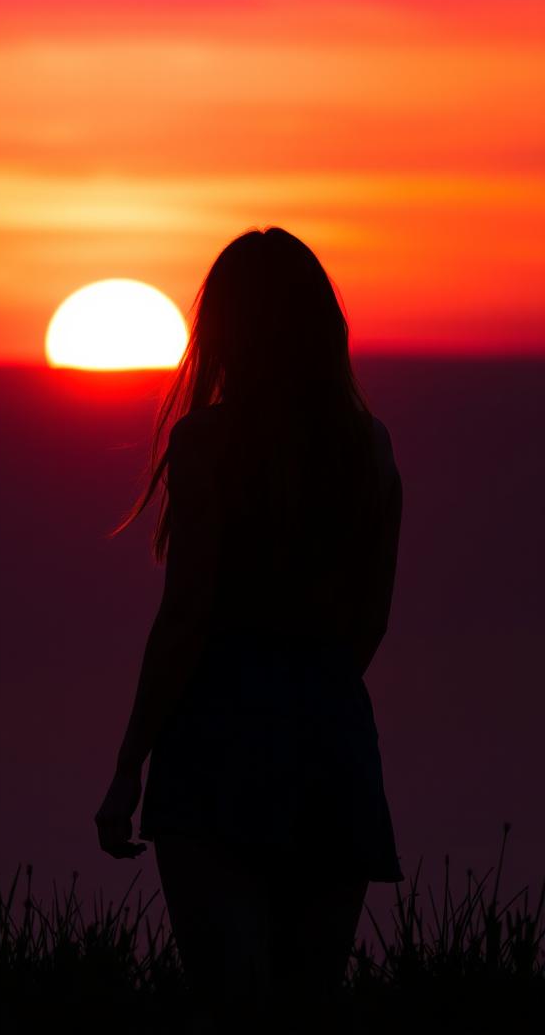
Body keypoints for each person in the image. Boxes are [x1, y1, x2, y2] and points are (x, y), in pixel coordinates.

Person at [93, 227, 404, 1031]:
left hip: (219, 741)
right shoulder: (369, 448)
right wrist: (316, 689)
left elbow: (187, 614)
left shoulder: (207, 443)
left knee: (232, 1007)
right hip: (336, 739)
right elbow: (372, 620)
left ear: (226, 327)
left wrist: (130, 765)